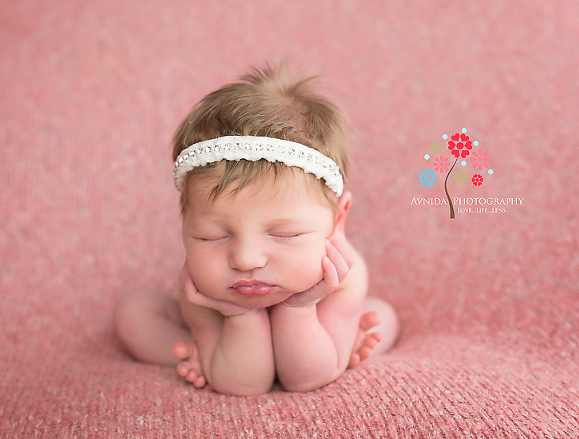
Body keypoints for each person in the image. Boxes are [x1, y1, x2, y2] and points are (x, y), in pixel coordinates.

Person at [114, 63, 398, 395]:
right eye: (213, 236)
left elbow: (305, 379)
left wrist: (299, 309)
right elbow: (242, 384)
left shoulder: (341, 278)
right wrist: (237, 317)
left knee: (382, 315)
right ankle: (190, 353)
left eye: (284, 234)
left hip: (320, 329)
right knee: (133, 310)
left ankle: (344, 343)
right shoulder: (201, 286)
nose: (245, 260)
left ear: (337, 220)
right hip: (224, 332)